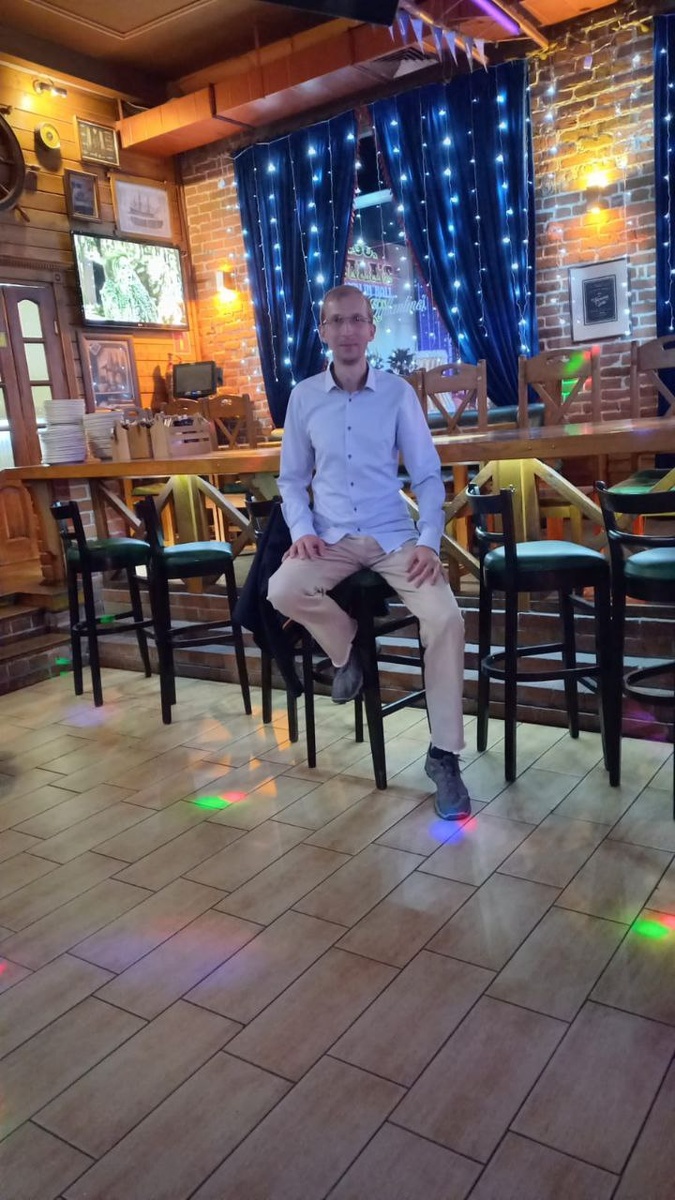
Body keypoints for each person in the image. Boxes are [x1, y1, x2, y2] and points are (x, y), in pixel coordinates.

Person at [267, 284, 470, 818]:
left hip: (392, 537)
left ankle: (444, 756)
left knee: (446, 618)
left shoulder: (397, 394)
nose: (348, 330)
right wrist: (301, 529)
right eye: (337, 321)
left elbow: (427, 476)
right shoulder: (303, 397)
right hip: (330, 537)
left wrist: (429, 540)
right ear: (323, 331)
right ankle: (345, 648)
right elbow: (291, 480)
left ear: (371, 329)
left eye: (357, 319)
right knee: (282, 588)